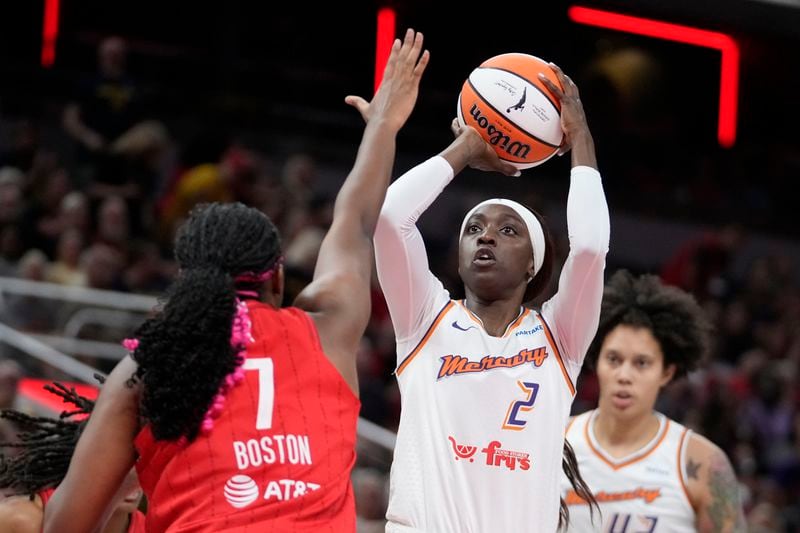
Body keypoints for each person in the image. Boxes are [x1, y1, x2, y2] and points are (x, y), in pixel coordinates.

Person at [43, 28, 429, 532]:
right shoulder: (328, 328)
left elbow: (64, 525)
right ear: (278, 278)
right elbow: (354, 219)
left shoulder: (146, 368)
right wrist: (384, 125)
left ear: (184, 279)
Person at [370, 63, 610, 532]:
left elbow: (590, 248)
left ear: (532, 264)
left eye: (507, 231)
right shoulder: (424, 319)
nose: (486, 239)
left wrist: (581, 138)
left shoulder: (559, 337)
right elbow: (389, 217)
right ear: (457, 259)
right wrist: (466, 148)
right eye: (474, 230)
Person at [561, 270, 747, 532]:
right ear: (596, 360)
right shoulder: (555, 442)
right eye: (614, 359)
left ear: (666, 372)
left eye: (641, 363)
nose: (624, 375)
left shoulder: (703, 463)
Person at [0, 381, 145, 533]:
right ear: (83, 458)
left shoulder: (157, 527)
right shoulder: (19, 519)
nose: (133, 470)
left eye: (140, 457)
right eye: (121, 458)